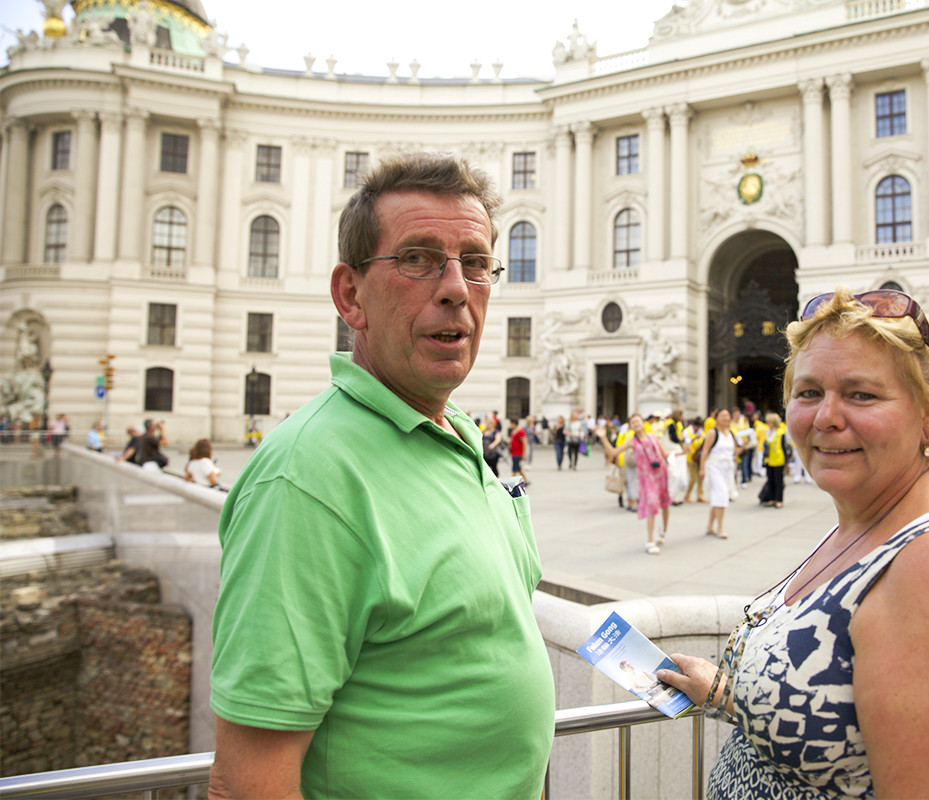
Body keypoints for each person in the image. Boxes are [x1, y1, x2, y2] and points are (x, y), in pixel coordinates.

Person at [208, 153, 555, 799]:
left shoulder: (455, 435)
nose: (456, 288)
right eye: (418, 259)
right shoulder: (306, 479)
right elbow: (248, 783)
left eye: (475, 262)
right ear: (351, 296)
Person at [656, 287, 929, 798]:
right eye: (808, 393)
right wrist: (722, 693)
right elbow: (837, 719)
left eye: (861, 394)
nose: (826, 416)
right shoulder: (866, 523)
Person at [598, 413, 672, 555]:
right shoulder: (632, 442)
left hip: (660, 474)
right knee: (651, 504)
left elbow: (664, 454)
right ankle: (650, 541)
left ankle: (663, 530)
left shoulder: (653, 437)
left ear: (643, 423)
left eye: (638, 421)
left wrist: (682, 453)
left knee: (665, 504)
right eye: (633, 422)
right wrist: (603, 437)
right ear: (631, 427)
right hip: (647, 478)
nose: (636, 424)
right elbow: (613, 452)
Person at [698, 408, 744, 539]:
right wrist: (702, 468)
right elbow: (705, 451)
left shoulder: (731, 433)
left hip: (727, 468)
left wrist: (745, 445)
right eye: (723, 416)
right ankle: (720, 526)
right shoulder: (713, 433)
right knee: (721, 495)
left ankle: (709, 525)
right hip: (714, 467)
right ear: (717, 418)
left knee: (717, 497)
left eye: (727, 415)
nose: (726, 418)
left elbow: (734, 452)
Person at [756, 412, 789, 508]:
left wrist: (786, 462)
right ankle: (772, 498)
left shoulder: (780, 432)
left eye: (769, 422)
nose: (768, 424)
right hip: (769, 460)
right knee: (770, 480)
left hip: (778, 460)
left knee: (778, 481)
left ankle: (779, 500)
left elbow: (784, 448)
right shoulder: (768, 432)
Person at [508, 417, 531, 487]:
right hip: (514, 452)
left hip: (518, 453)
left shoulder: (520, 431)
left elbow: (525, 442)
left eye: (511, 424)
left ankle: (512, 482)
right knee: (518, 468)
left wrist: (524, 453)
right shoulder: (513, 431)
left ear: (514, 424)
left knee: (515, 468)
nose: (510, 425)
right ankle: (525, 480)